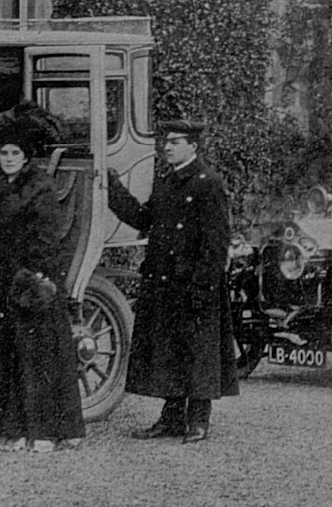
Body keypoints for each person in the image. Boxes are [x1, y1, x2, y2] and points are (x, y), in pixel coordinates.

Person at [106, 119, 238, 444]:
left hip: (194, 283)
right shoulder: (167, 181)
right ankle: (171, 419)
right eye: (165, 140)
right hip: (165, 281)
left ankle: (198, 421)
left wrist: (203, 288)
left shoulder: (208, 183)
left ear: (193, 146)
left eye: (175, 141)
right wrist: (113, 188)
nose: (166, 146)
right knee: (171, 350)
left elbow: (216, 243)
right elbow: (143, 219)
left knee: (198, 351)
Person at [0, 103, 86, 453]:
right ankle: (11, 428)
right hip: (4, 280)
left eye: (15, 152)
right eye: (3, 152)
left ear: (27, 155)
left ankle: (45, 431)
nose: (8, 158)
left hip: (33, 280)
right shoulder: (1, 186)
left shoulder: (41, 188)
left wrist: (35, 278)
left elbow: (49, 238)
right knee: (5, 355)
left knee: (36, 358)